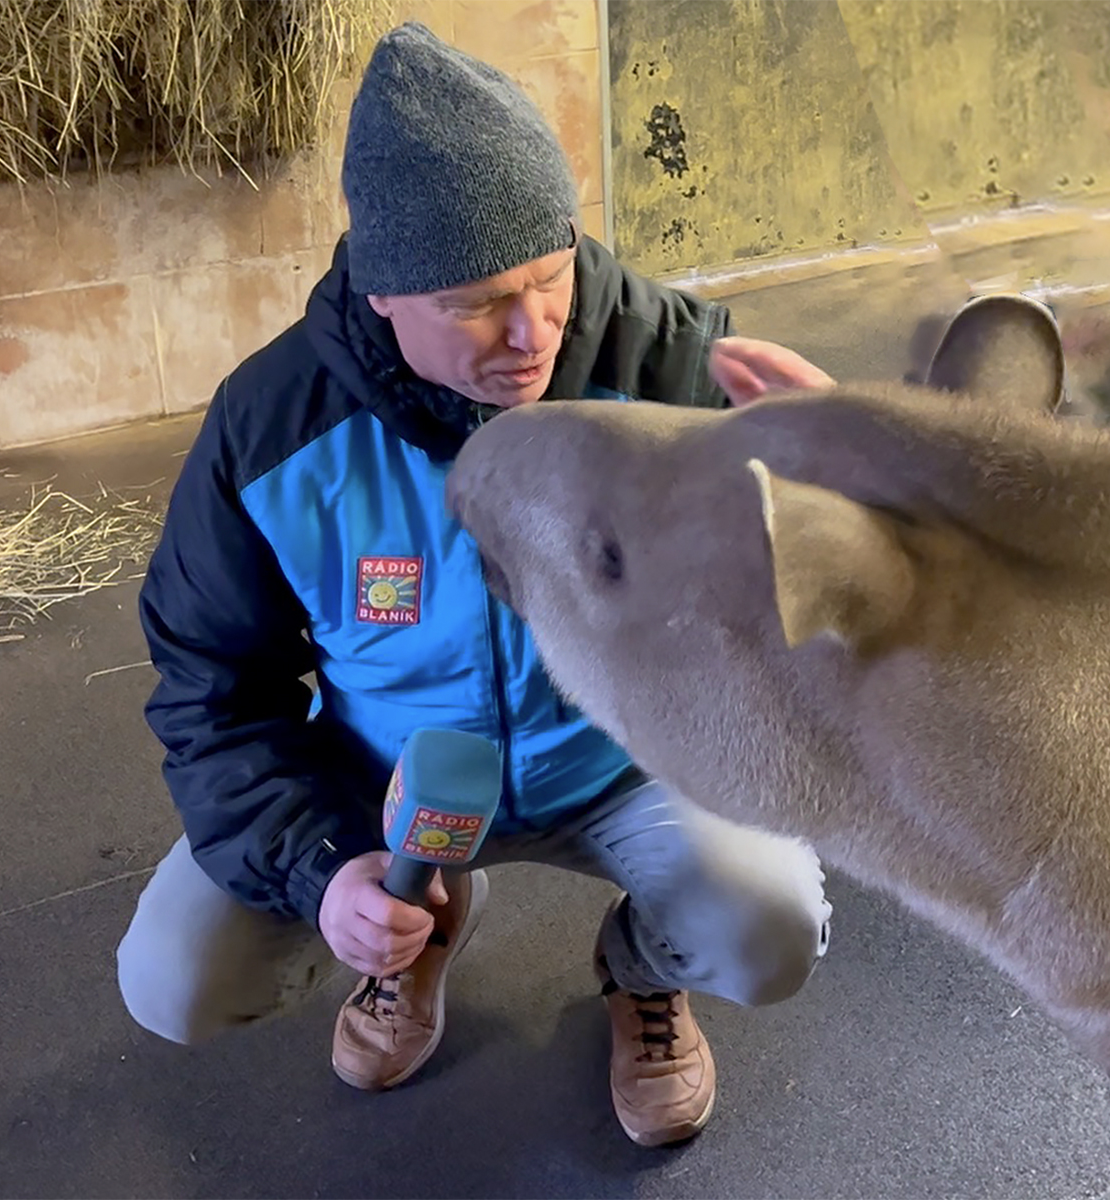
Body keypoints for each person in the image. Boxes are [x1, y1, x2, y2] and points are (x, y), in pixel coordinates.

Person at [117, 21, 834, 1149]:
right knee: (176, 978)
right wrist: (324, 871)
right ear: (383, 295)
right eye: (476, 303)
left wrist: (839, 485)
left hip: (618, 763)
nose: (531, 333)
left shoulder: (667, 364)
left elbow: (808, 609)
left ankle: (641, 970)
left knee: (769, 926)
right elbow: (212, 690)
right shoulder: (270, 429)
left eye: (551, 276)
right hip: (393, 785)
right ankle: (413, 925)